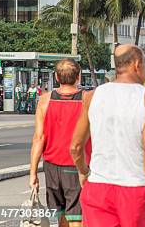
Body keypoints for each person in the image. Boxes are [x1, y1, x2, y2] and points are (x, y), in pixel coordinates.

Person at [70, 45, 145, 227]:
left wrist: (84, 171)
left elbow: (75, 146)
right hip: (135, 188)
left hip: (98, 188)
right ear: (137, 64)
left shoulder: (92, 96)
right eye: (144, 64)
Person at [29, 59, 91, 227]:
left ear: (56, 77)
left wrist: (33, 173)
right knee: (77, 216)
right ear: (78, 77)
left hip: (51, 167)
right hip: (77, 165)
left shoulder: (45, 101)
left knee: (61, 215)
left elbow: (38, 138)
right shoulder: (87, 100)